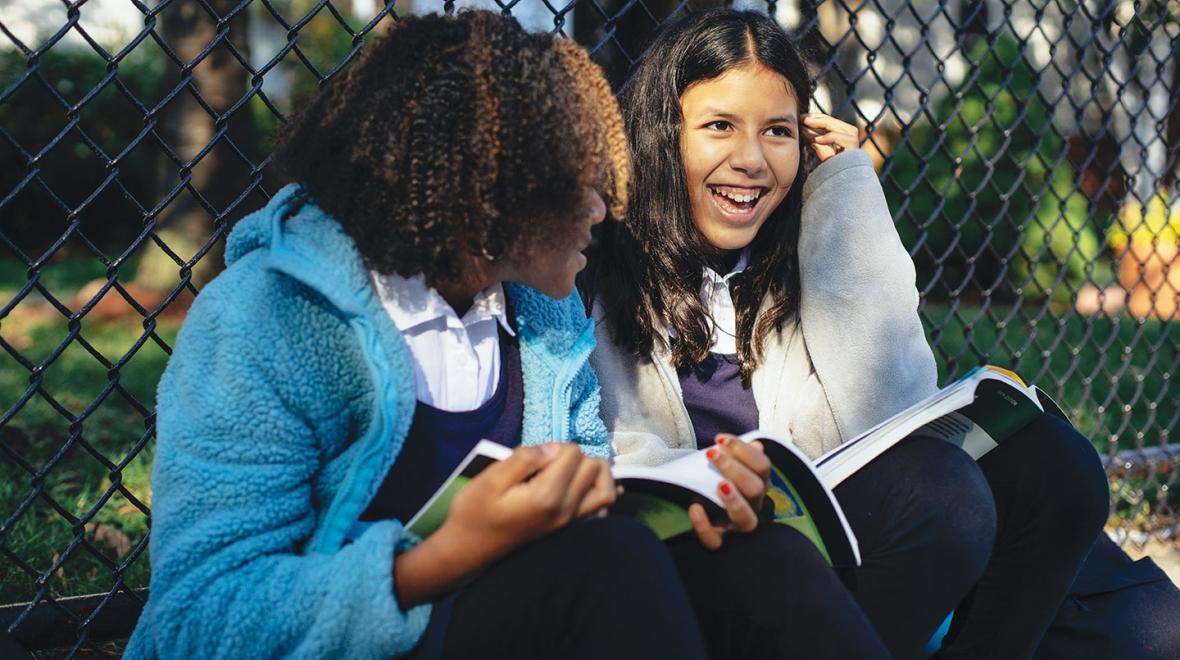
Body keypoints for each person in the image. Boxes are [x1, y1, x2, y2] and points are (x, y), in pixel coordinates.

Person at [124, 12, 712, 659]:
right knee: (610, 561)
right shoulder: (265, 319)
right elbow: (199, 618)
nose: (604, 208)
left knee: (755, 553)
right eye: (579, 182)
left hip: (509, 618)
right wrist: (440, 559)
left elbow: (583, 497)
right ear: (491, 192)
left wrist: (697, 491)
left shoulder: (544, 316)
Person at [583, 8, 1141, 659]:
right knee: (948, 498)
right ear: (661, 132)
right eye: (718, 127)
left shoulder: (801, 250)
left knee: (1059, 465)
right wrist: (714, 481)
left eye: (778, 131)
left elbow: (887, 410)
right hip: (703, 563)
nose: (752, 160)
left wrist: (848, 191)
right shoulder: (595, 259)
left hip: (836, 553)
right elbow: (597, 450)